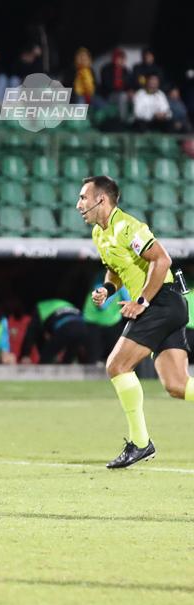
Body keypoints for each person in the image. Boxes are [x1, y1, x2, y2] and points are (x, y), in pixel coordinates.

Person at [78, 175, 194, 469]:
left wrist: (141, 301)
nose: (79, 204)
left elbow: (162, 260)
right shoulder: (99, 234)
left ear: (101, 200)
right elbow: (115, 269)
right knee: (178, 386)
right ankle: (141, 444)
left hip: (161, 302)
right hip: (167, 305)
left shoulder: (128, 226)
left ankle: (140, 443)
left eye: (83, 198)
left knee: (117, 365)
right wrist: (109, 288)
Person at [18, 298, 88, 364]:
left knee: (45, 358)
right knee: (67, 362)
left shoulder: (40, 308)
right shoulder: (67, 305)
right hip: (83, 327)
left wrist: (25, 355)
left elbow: (31, 333)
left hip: (66, 327)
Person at [83, 274, 130, 363]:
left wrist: (122, 288)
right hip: (93, 321)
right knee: (94, 353)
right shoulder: (99, 279)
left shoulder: (123, 280)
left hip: (113, 321)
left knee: (116, 355)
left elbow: (129, 300)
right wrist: (117, 288)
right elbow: (102, 305)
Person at [98, 48, 133, 123]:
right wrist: (124, 90)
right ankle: (123, 121)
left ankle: (136, 121)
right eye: (119, 58)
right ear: (114, 59)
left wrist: (130, 91)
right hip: (109, 95)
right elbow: (108, 86)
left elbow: (129, 85)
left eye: (123, 59)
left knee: (136, 96)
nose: (121, 61)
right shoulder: (106, 69)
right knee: (122, 96)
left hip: (123, 93)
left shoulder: (126, 71)